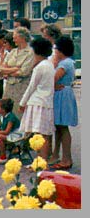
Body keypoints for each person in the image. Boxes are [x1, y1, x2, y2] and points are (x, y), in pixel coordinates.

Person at [19, 37, 55, 162]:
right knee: (43, 134)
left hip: (37, 102)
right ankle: (40, 161)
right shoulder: (50, 65)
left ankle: (41, 162)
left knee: (39, 135)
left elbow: (31, 86)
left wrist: (22, 102)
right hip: (46, 102)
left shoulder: (39, 67)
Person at [49, 36, 77, 170]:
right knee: (59, 127)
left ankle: (67, 158)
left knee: (63, 127)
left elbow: (52, 79)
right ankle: (57, 154)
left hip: (62, 95)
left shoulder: (64, 64)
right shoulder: (69, 62)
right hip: (63, 93)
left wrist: (54, 64)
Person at [0, 27, 34, 117]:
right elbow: (0, 69)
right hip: (9, 88)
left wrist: (8, 71)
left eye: (15, 37)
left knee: (19, 114)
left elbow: (24, 72)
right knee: (6, 113)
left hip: (21, 88)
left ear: (22, 38)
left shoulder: (31, 52)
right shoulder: (13, 52)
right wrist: (15, 68)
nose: (13, 39)